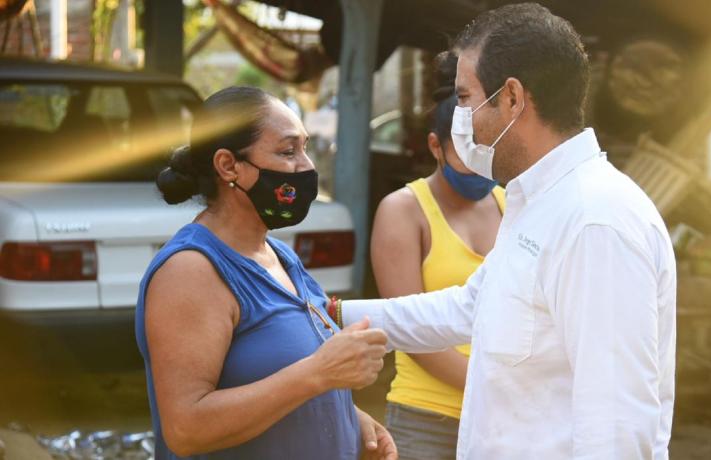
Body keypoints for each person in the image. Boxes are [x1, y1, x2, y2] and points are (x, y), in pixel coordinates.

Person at [341, 4, 677, 459]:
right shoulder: (536, 202)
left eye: (464, 98)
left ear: (513, 98)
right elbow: (469, 306)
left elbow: (616, 424)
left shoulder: (595, 220)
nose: (461, 117)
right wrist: (329, 316)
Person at [135, 86, 397, 460]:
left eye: (305, 148)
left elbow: (282, 378)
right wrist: (318, 373)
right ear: (228, 166)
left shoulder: (280, 256)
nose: (306, 166)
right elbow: (185, 427)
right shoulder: (192, 271)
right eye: (288, 151)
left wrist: (352, 420)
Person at [370, 51, 504, 459]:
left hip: (500, 420)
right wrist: (499, 385)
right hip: (426, 419)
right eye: (466, 152)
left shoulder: (509, 204)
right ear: (435, 146)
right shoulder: (403, 210)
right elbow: (410, 329)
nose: (479, 166)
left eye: (488, 150)